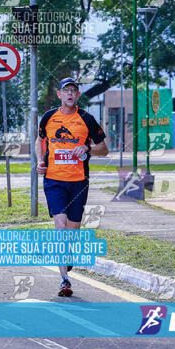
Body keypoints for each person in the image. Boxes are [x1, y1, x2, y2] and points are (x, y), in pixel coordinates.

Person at [35, 77, 108, 296]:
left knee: (72, 231)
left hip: (78, 182)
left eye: (73, 91)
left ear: (77, 95)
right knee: (61, 225)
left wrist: (87, 149)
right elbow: (40, 140)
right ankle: (64, 280)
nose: (69, 93)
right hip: (54, 180)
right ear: (59, 94)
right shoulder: (48, 117)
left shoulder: (87, 118)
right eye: (66, 90)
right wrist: (40, 161)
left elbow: (103, 148)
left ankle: (67, 259)